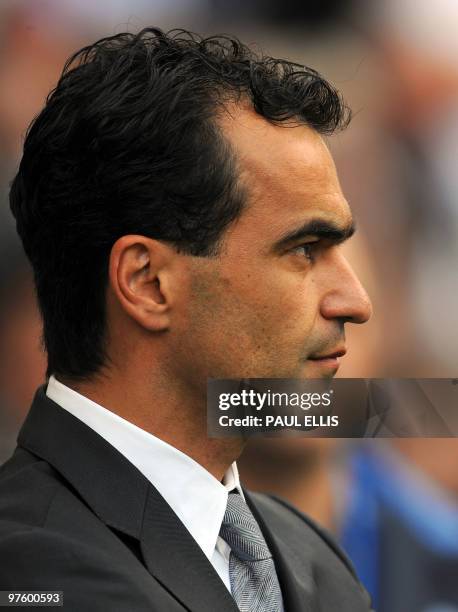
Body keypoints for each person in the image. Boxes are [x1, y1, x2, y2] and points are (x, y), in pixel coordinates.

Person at [0, 28, 373, 611]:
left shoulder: (310, 556)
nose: (356, 302)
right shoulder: (35, 571)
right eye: (305, 249)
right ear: (147, 282)